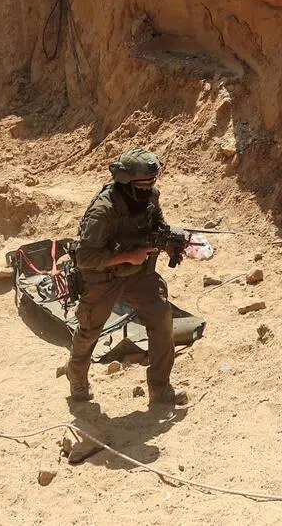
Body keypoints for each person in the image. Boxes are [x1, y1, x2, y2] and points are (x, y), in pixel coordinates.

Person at [65, 149, 188, 410]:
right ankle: (77, 378)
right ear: (125, 182)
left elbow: (157, 226)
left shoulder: (151, 197)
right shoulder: (104, 210)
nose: (148, 189)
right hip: (102, 276)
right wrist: (127, 256)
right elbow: (84, 257)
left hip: (136, 273)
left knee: (161, 316)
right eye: (142, 184)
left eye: (152, 182)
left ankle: (160, 387)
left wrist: (170, 242)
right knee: (89, 331)